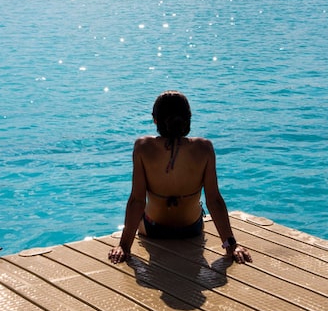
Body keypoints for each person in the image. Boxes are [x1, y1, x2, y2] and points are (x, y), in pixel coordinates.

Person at [108, 91, 252, 264]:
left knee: (144, 213)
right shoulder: (204, 148)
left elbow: (137, 201)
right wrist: (231, 245)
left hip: (154, 230)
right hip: (190, 229)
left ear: (155, 120)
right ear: (188, 119)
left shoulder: (143, 147)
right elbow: (214, 201)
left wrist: (124, 246)